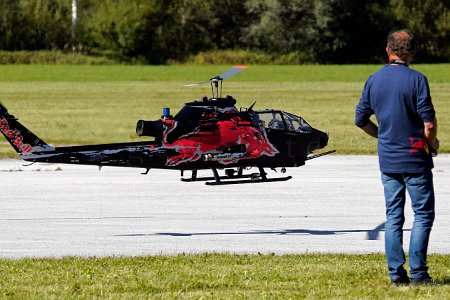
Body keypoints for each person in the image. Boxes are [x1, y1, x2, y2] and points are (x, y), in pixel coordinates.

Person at [355, 29, 439, 286]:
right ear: (411, 53)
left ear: (388, 50)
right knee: (423, 214)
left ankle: (396, 275)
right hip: (414, 158)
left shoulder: (374, 79)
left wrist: (382, 137)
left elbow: (360, 119)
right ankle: (419, 273)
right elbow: (429, 124)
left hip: (388, 159)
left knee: (394, 217)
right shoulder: (417, 79)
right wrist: (431, 144)